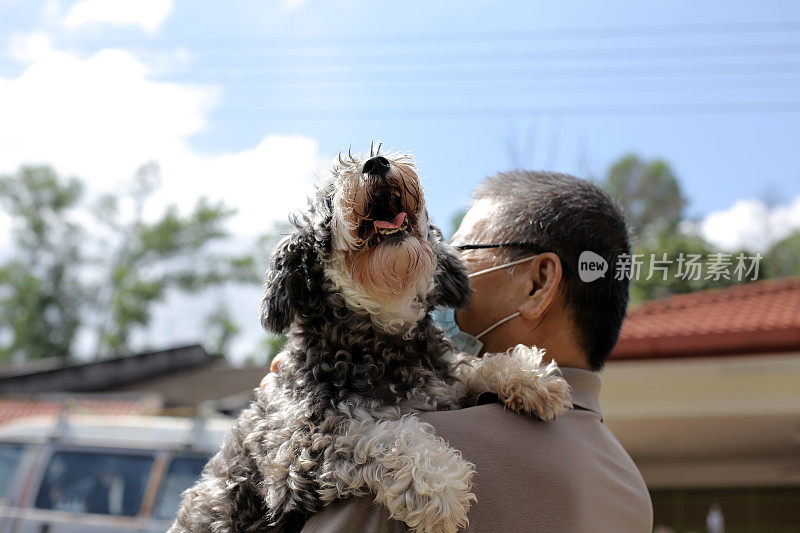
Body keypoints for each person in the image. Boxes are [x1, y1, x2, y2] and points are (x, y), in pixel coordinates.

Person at [274, 170, 652, 532]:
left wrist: (287, 424)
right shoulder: (633, 491)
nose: (439, 266)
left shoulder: (408, 459)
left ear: (537, 283)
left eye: (461, 251)